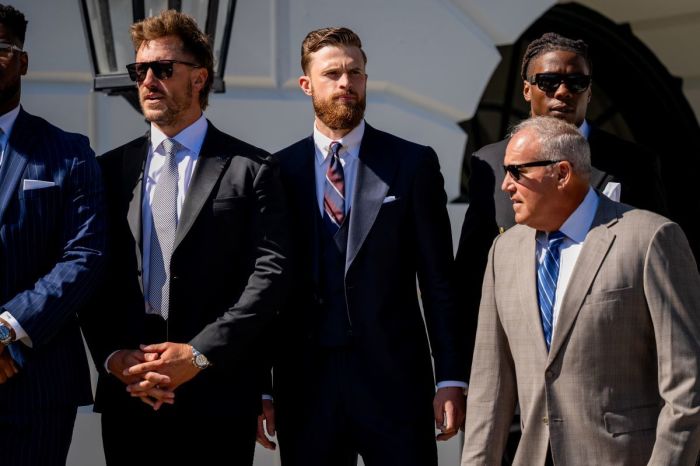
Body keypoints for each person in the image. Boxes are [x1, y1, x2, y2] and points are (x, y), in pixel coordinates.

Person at [79, 10, 287, 466]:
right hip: (132, 386)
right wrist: (114, 357)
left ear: (199, 79)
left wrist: (196, 355)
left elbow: (269, 279)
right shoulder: (109, 170)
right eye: (140, 70)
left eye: (163, 69)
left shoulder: (251, 168)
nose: (148, 80)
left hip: (217, 388)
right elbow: (91, 270)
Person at [258, 27, 467, 466]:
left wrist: (451, 376)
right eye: (332, 73)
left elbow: (438, 281)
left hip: (396, 386)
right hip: (305, 389)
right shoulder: (276, 171)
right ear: (307, 84)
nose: (345, 83)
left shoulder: (412, 163)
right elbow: (264, 288)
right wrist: (260, 385)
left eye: (355, 72)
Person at [461, 116, 700, 465]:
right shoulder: (503, 251)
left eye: (516, 172)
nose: (505, 186)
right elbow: (488, 390)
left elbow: (688, 386)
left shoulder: (650, 239)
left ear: (562, 173)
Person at [454, 32, 669, 370]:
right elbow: (469, 277)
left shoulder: (632, 165)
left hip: (607, 363)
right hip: (513, 366)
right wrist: (458, 374)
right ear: (527, 89)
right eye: (549, 81)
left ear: (589, 90)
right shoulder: (491, 166)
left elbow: (659, 265)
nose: (563, 92)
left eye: (577, 82)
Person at [0, 4, 106, 465]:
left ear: (23, 61)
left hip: (34, 382)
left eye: (0, 48)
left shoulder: (68, 153)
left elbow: (85, 254)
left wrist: (6, 330)